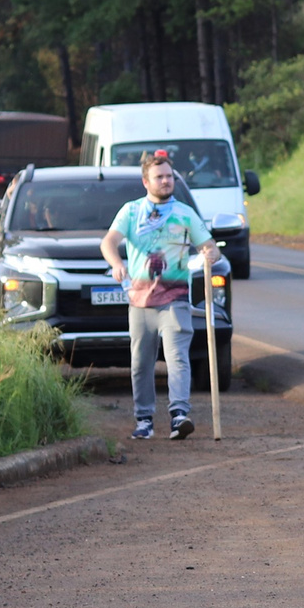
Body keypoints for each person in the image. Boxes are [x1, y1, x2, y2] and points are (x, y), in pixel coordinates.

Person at [101, 151, 219, 442]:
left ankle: (179, 415)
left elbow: (210, 245)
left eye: (169, 177)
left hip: (175, 298)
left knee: (177, 357)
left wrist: (210, 253)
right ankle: (144, 420)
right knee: (141, 362)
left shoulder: (185, 213)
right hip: (140, 301)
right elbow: (109, 242)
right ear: (146, 181)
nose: (166, 181)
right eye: (159, 177)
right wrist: (117, 263)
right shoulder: (131, 212)